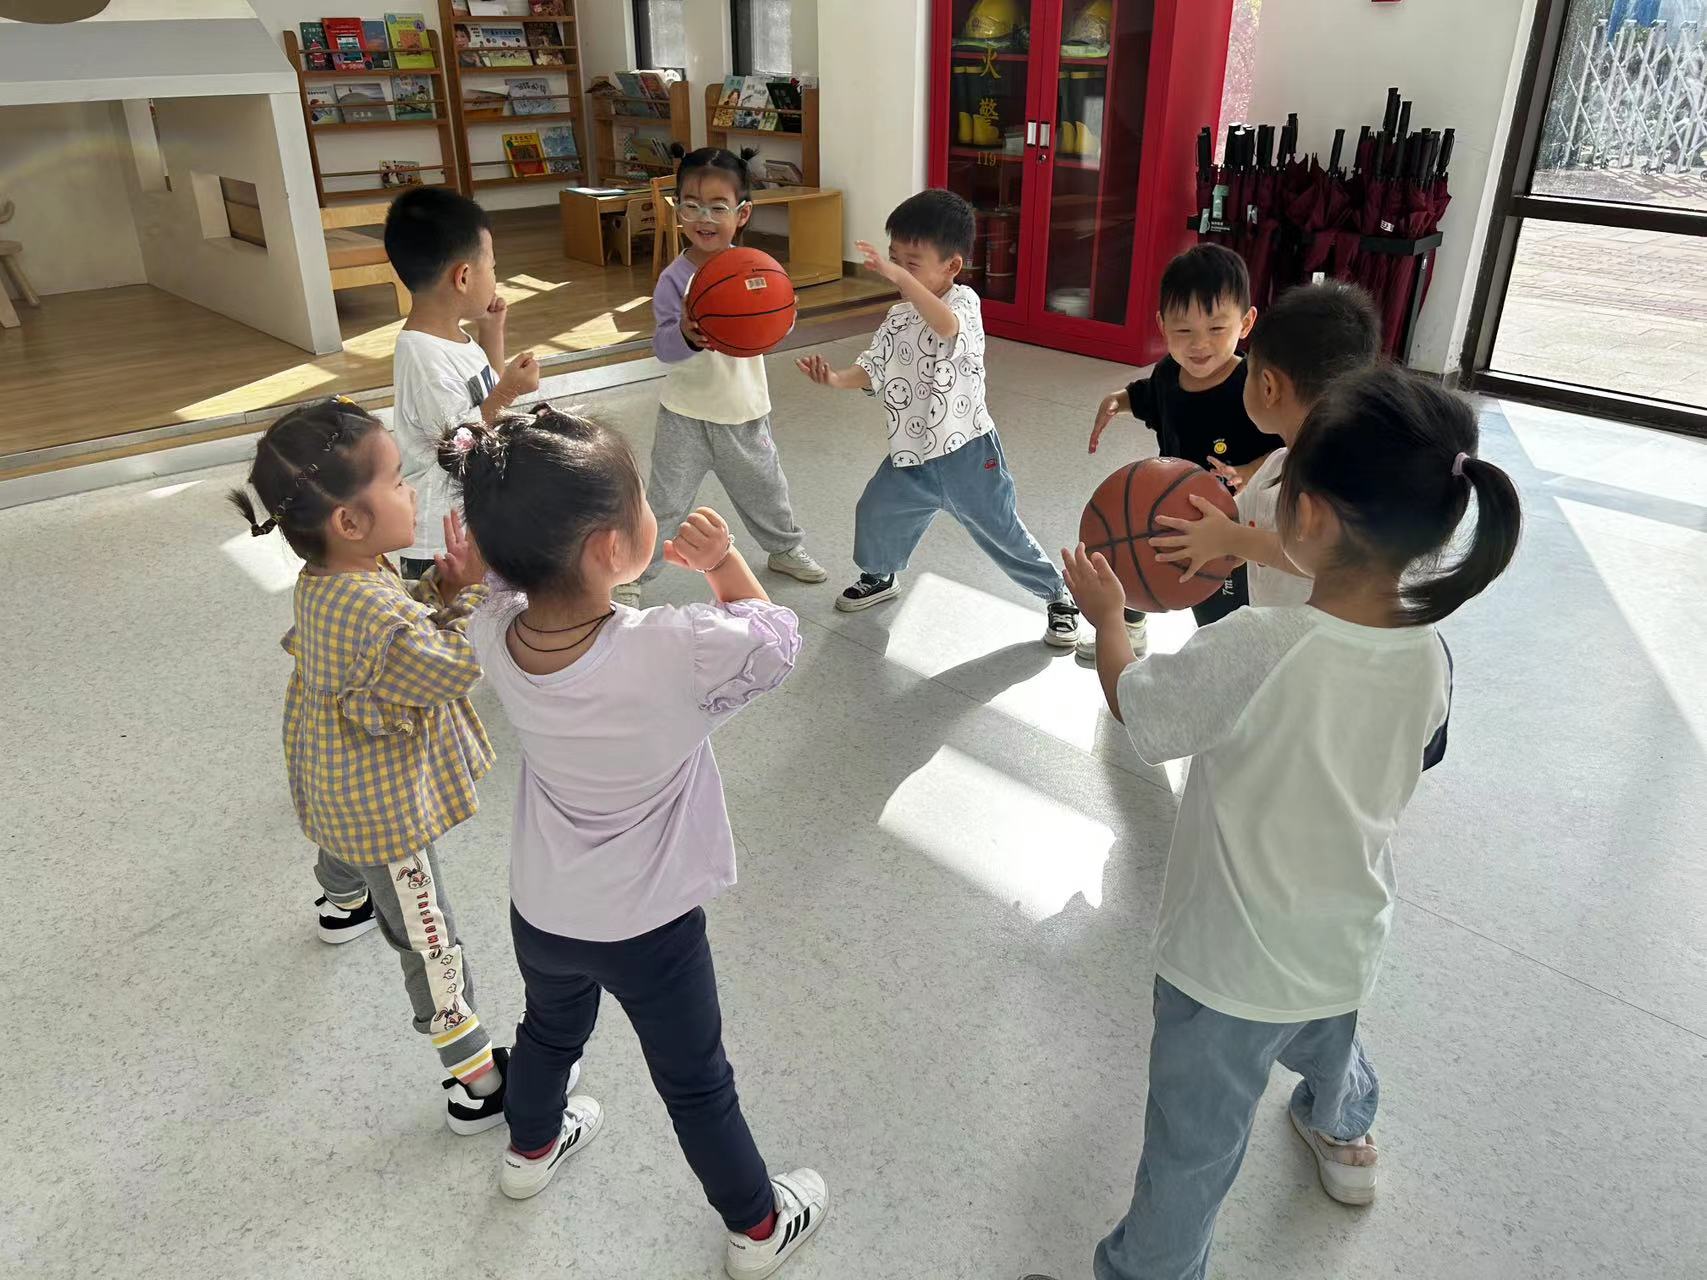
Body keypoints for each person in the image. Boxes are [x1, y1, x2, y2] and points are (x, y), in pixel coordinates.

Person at [1060, 366, 1522, 1280]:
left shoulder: (1257, 646)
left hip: (1226, 966)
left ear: (1304, 517)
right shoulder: (1429, 655)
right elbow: (1412, 753)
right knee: (1324, 1038)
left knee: (1191, 1149)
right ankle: (1344, 1128)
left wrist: (1110, 619)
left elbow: (1140, 712)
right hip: (1343, 934)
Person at [447, 406, 828, 1279]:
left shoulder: (494, 633)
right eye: (642, 503)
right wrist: (723, 563)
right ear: (608, 549)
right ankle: (758, 1228)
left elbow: (490, 588)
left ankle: (528, 1152)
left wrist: (480, 566)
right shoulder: (673, 646)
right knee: (694, 1081)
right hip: (650, 927)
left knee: (549, 1033)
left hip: (543, 908)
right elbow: (776, 642)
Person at [227, 397, 510, 1135]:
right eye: (396, 481)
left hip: (337, 775)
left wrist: (442, 589)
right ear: (349, 522)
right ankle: (475, 1080)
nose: (411, 491)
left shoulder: (336, 575)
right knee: (429, 937)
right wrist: (477, 592)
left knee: (341, 833)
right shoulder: (369, 603)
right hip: (385, 810)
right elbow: (448, 668)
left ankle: (342, 901)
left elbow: (399, 633)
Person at [797, 187, 1081, 648]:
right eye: (893, 259)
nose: (896, 272)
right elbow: (873, 367)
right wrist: (834, 378)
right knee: (876, 510)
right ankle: (880, 576)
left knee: (1001, 532)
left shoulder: (964, 303)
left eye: (910, 264)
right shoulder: (898, 317)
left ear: (951, 266)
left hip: (967, 453)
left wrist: (900, 277)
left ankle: (1057, 595)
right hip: (911, 453)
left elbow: (945, 325)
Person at [617, 145, 826, 607]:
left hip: (744, 411)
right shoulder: (674, 279)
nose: (704, 218)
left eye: (718, 207)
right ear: (677, 209)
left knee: (766, 489)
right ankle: (633, 571)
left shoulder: (756, 270)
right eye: (691, 206)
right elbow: (663, 349)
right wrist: (686, 334)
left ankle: (784, 549)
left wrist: (780, 314)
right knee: (664, 502)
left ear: (742, 213)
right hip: (685, 415)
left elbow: (774, 328)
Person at [1082, 244, 1282, 659]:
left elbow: (1284, 448)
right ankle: (1131, 625)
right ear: (1162, 325)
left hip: (1227, 522)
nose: (1199, 344)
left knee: (1215, 603)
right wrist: (1117, 400)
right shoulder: (1169, 374)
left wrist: (1249, 470)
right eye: (1184, 330)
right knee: (1135, 551)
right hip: (1167, 502)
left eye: (1216, 328)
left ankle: (1230, 660)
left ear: (1246, 323)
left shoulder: (1252, 385)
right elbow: (1146, 397)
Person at [1149, 281, 1383, 608]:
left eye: (1248, 373)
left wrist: (1232, 539)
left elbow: (1324, 562)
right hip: (1272, 626)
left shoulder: (1346, 482)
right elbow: (1234, 526)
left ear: (1269, 388)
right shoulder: (1276, 465)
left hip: (1309, 637)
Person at [384, 186, 540, 579]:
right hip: (439, 542)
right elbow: (456, 447)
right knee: (447, 614)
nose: (495, 278)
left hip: (469, 521)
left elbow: (481, 394)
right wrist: (509, 391)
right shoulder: (424, 359)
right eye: (493, 267)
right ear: (464, 277)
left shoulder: (451, 335)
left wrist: (491, 332)